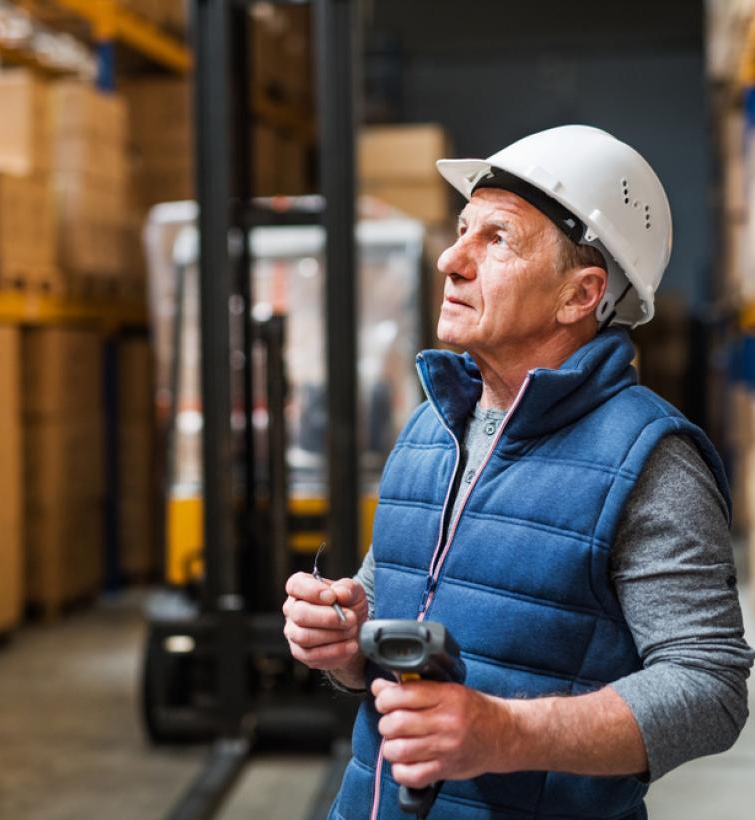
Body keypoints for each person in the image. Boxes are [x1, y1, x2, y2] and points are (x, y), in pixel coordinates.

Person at [282, 125, 754, 819]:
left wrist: (506, 733)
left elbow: (709, 687)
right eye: (460, 230)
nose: (450, 259)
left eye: (495, 239)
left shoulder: (648, 459)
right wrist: (346, 645)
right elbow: (395, 619)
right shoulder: (430, 430)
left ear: (578, 295)